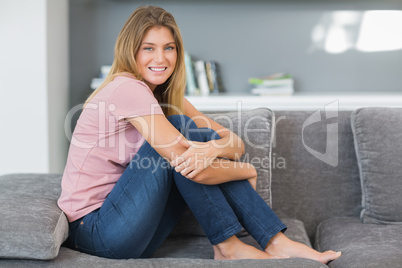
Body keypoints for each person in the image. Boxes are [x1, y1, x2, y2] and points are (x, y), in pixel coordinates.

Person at [58, 5, 342, 263]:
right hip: (95, 232)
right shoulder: (127, 88)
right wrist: (246, 171)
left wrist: (212, 149)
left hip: (134, 236)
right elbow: (193, 168)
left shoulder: (165, 96)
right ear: (130, 51)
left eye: (169, 48)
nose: (161, 58)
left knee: (196, 135)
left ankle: (261, 242)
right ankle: (241, 244)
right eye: (149, 48)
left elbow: (234, 142)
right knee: (182, 129)